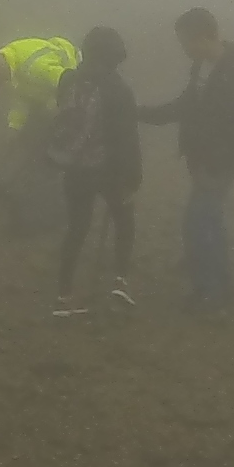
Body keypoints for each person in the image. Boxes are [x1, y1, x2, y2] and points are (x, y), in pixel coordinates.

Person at [135, 6, 234, 313]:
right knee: (207, 221)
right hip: (206, 162)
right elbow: (185, 106)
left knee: (200, 222)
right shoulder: (203, 67)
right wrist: (141, 113)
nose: (183, 49)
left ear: (204, 38)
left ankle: (212, 293)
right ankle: (215, 287)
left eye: (185, 42)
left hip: (218, 164)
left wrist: (214, 165)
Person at [46, 25, 142, 318]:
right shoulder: (119, 90)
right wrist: (133, 178)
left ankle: (64, 293)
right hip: (109, 171)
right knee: (123, 220)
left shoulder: (68, 79)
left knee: (76, 228)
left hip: (75, 169)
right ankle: (120, 280)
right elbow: (127, 139)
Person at [0, 33, 79, 225]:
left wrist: (53, 107)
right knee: (30, 141)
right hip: (46, 96)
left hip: (63, 99)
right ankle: (20, 185)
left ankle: (50, 205)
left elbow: (73, 87)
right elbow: (21, 98)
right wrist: (14, 126)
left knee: (48, 154)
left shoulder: (38, 68)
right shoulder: (12, 65)